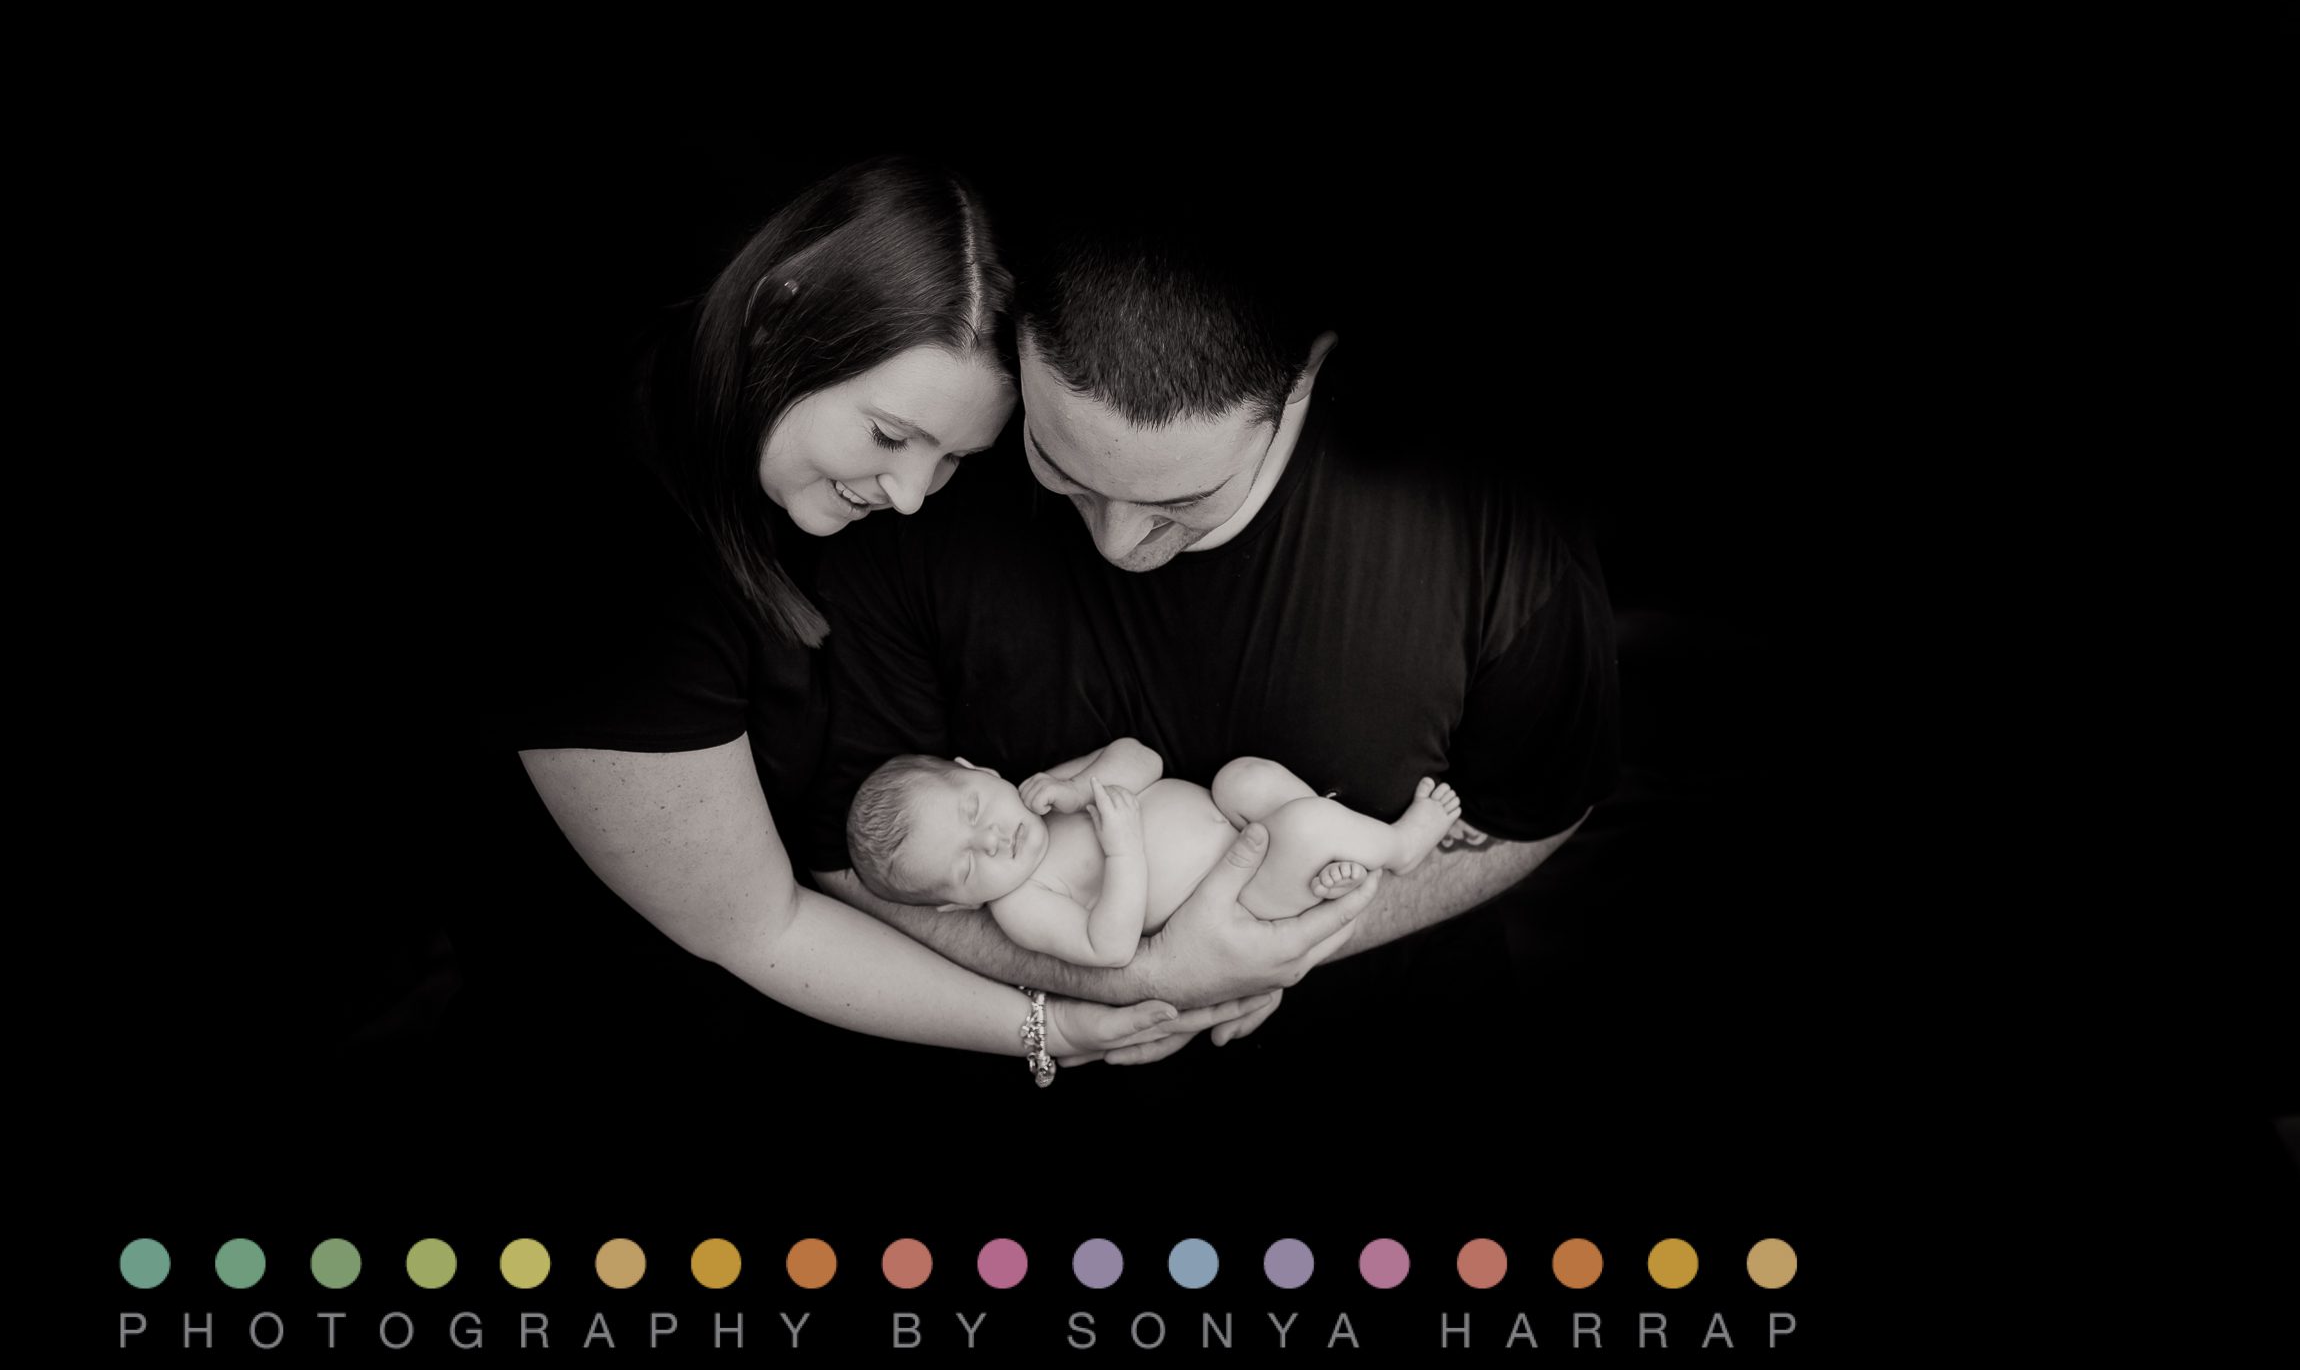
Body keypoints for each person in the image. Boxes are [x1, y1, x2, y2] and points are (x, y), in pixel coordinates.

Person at [482, 156, 1279, 1081]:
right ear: (779, 316)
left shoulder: (806, 461)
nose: (908, 494)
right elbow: (759, 927)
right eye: (892, 436)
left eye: (952, 458)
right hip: (656, 1031)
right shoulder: (602, 571)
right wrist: (1055, 1027)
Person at [805, 188, 1621, 1062]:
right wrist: (1141, 979)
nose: (1118, 544)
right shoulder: (914, 490)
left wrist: (1279, 946)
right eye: (1060, 464)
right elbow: (841, 855)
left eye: (1180, 501)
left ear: (1302, 377)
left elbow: (1537, 806)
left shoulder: (1495, 530)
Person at [846, 740, 1463, 968]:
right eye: (965, 867)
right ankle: (1398, 846)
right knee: (1300, 824)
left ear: (977, 770)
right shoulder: (1020, 904)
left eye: (974, 810)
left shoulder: (1044, 795)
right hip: (1238, 895)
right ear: (958, 907)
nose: (989, 839)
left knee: (1244, 776)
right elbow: (1110, 948)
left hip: (1235, 817)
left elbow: (1143, 758)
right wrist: (1121, 850)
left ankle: (1327, 859)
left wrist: (1079, 787)